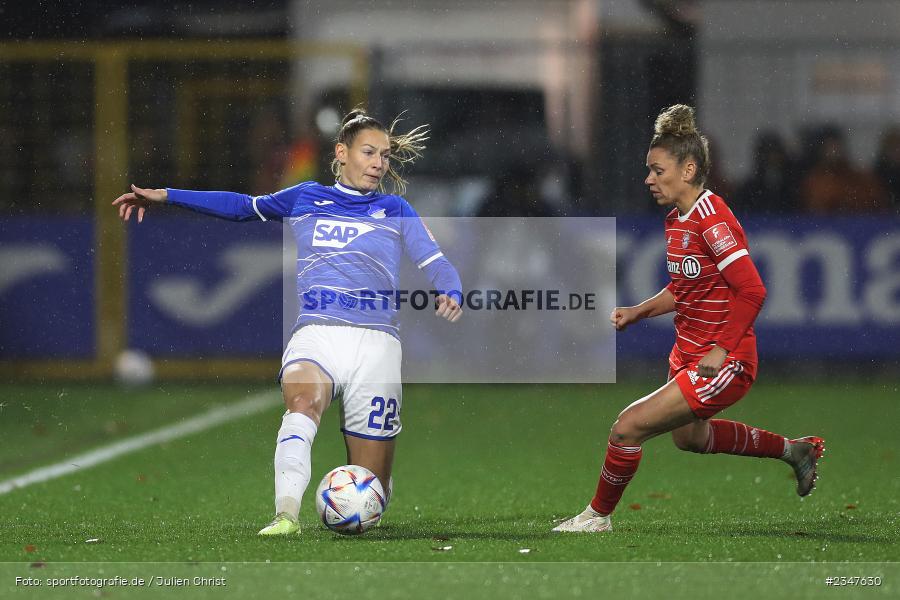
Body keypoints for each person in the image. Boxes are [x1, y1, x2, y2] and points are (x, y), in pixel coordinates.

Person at [113, 108, 463, 536]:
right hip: (317, 334)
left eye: (385, 156)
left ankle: (371, 487)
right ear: (341, 153)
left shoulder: (396, 209)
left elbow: (435, 261)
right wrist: (167, 195)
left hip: (377, 346)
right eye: (369, 152)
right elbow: (242, 206)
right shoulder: (305, 197)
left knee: (372, 492)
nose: (378, 163)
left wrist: (451, 289)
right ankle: (286, 514)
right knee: (301, 405)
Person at [553, 105, 824, 533]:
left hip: (724, 360)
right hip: (689, 354)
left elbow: (752, 290)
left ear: (689, 168)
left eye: (657, 170)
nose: (649, 179)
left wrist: (721, 350)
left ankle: (597, 517)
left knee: (627, 429)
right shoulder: (678, 220)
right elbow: (686, 287)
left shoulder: (711, 220)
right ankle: (795, 451)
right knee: (691, 439)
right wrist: (640, 311)